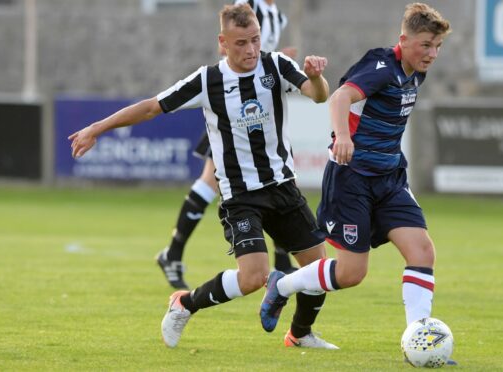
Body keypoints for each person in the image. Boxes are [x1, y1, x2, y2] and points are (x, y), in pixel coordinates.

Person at [69, 4, 337, 349]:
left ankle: (300, 335)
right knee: (254, 277)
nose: (251, 50)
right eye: (241, 43)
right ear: (222, 42)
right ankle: (184, 304)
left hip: (283, 186)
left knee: (318, 271)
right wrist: (97, 127)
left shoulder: (276, 65)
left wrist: (315, 76)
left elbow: (318, 96)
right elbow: (152, 106)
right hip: (241, 196)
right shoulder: (208, 80)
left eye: (255, 40)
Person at [259, 2, 455, 361]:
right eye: (426, 44)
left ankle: (420, 342)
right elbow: (340, 96)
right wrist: (342, 136)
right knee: (351, 273)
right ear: (404, 39)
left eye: (437, 47)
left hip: (390, 178)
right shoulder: (381, 65)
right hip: (353, 179)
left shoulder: (416, 72)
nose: (432, 53)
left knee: (422, 251)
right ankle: (282, 284)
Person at [156, 0, 298, 290]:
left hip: (260, 112)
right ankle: (173, 253)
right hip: (234, 111)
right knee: (212, 182)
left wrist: (276, 58)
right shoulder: (246, 6)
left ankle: (281, 264)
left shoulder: (278, 17)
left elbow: (261, 59)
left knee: (273, 177)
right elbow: (228, 48)